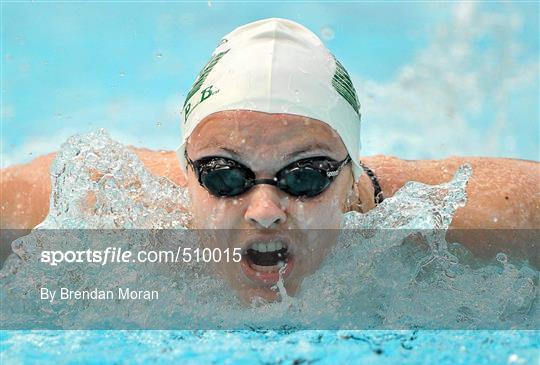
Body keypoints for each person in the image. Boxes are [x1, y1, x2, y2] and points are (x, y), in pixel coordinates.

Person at [1, 18, 538, 302]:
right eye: (224, 175)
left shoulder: (451, 221)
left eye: (303, 176)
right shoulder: (103, 207)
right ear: (186, 172)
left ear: (351, 181)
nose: (263, 209)